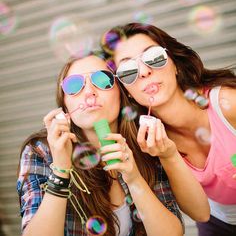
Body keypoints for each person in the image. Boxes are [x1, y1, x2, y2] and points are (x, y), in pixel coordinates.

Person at [17, 52, 209, 236]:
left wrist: (134, 178)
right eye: (74, 85)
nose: (89, 92)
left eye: (102, 80)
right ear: (64, 103)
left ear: (121, 92)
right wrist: (60, 169)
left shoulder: (144, 142)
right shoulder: (42, 151)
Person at [100, 22, 236, 236]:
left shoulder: (228, 103)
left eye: (154, 57)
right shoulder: (147, 143)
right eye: (127, 70)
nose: (144, 72)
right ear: (126, 90)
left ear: (175, 65)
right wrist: (168, 155)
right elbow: (199, 214)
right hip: (218, 223)